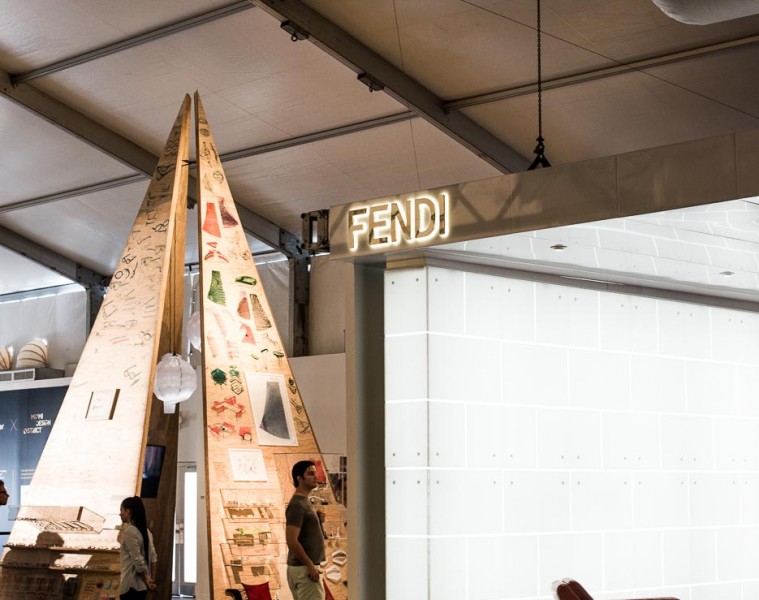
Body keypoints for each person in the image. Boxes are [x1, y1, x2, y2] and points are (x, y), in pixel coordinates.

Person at [286, 460, 326, 600]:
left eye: (315, 473)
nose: (316, 477)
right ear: (299, 478)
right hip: (306, 571)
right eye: (310, 474)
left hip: (304, 569)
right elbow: (291, 541)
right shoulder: (297, 505)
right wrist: (310, 566)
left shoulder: (304, 502)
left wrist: (317, 521)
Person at [118, 496, 157, 599]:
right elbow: (153, 557)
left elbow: (137, 559)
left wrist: (146, 579)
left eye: (121, 510)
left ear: (128, 511)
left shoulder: (130, 531)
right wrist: (151, 580)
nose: (120, 514)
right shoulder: (147, 532)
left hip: (131, 586)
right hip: (143, 587)